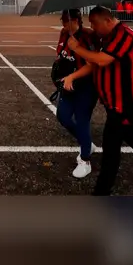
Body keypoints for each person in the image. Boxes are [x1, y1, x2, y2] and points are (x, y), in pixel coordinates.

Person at [65, 6, 133, 196]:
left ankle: (102, 191)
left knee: (111, 148)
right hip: (113, 101)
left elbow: (102, 60)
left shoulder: (124, 36)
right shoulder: (107, 35)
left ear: (107, 21)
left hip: (125, 102)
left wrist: (77, 48)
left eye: (94, 24)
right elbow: (91, 38)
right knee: (131, 135)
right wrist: (75, 32)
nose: (93, 28)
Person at [53, 9, 100, 178]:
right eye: (63, 21)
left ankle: (85, 159)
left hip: (86, 86)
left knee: (82, 120)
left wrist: (72, 75)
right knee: (63, 116)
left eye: (67, 21)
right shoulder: (64, 34)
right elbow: (61, 54)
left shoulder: (88, 36)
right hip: (68, 85)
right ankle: (86, 143)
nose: (64, 25)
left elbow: (92, 64)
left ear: (76, 21)